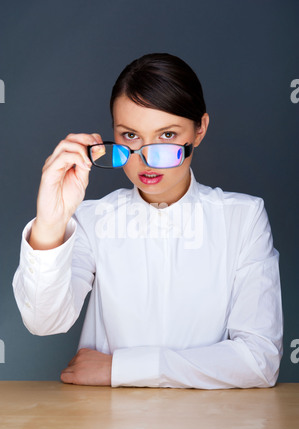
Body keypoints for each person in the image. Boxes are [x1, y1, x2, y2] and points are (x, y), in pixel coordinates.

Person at [13, 53, 283, 388]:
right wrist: (51, 221)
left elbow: (259, 360)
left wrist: (120, 368)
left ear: (200, 130)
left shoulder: (243, 218)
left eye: (167, 135)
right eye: (130, 135)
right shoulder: (91, 219)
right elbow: (44, 321)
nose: (145, 159)